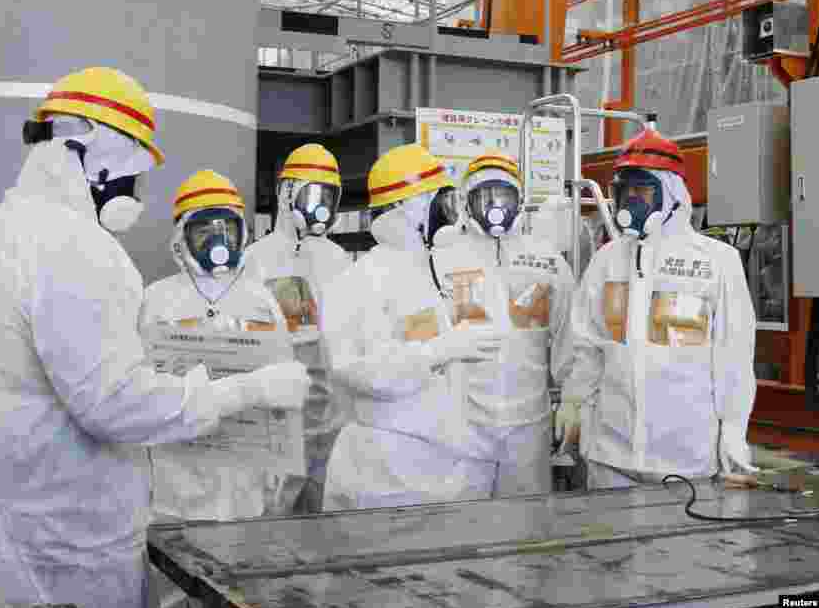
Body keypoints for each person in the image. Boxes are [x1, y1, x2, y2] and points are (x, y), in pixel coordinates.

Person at [0, 67, 309, 608]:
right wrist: (247, 391)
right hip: (65, 548)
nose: (134, 191)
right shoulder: (77, 247)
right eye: (136, 171)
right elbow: (115, 404)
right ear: (103, 156)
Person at [557, 125, 757, 489]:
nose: (631, 202)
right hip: (610, 453)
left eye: (642, 191)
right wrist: (573, 402)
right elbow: (586, 345)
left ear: (671, 195)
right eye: (623, 191)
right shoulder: (606, 261)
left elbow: (733, 359)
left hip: (685, 457)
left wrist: (733, 431)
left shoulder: (716, 261)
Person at [321, 143, 492, 511]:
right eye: (440, 204)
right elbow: (357, 370)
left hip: (435, 464)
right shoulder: (360, 281)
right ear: (410, 209)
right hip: (383, 471)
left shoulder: (427, 271)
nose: (451, 217)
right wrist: (435, 352)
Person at [139, 169, 310, 523]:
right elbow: (137, 391)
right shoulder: (155, 300)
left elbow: (285, 389)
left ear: (241, 232)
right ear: (182, 236)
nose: (218, 240)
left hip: (245, 482)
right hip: (174, 480)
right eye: (204, 230)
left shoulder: (262, 299)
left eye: (227, 228)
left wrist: (287, 468)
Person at [433, 152, 575, 498]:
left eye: (504, 196)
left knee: (525, 526)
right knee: (463, 521)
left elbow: (570, 336)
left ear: (520, 200)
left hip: (529, 424)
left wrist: (573, 398)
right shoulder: (441, 261)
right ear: (466, 203)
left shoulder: (547, 261)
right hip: (462, 423)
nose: (495, 207)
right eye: (484, 197)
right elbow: (425, 343)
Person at [243, 144, 351, 513]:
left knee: (323, 525)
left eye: (329, 194)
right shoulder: (256, 260)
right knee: (273, 522)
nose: (322, 205)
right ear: (286, 193)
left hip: (333, 418)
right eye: (314, 191)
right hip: (279, 422)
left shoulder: (338, 259)